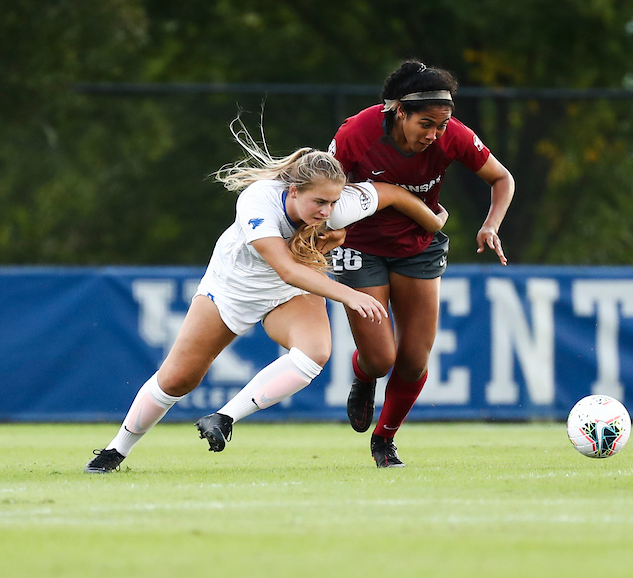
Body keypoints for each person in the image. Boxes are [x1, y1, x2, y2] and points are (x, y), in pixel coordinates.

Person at [85, 127, 447, 473]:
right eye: (319, 202)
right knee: (178, 379)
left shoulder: (338, 206)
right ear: (293, 191)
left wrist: (433, 222)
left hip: (291, 290)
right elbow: (286, 268)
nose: (327, 211)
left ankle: (224, 418)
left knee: (314, 354)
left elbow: (392, 193)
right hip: (233, 286)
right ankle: (116, 450)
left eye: (333, 202)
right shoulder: (258, 200)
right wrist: (350, 295)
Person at [329, 59, 514, 468]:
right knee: (381, 359)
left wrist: (490, 225)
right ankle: (364, 375)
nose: (434, 135)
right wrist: (322, 234)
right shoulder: (356, 133)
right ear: (400, 111)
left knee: (414, 361)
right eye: (425, 124)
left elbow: (502, 178)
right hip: (359, 245)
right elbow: (324, 189)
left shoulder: (454, 136)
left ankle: (384, 440)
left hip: (418, 246)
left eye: (441, 126)